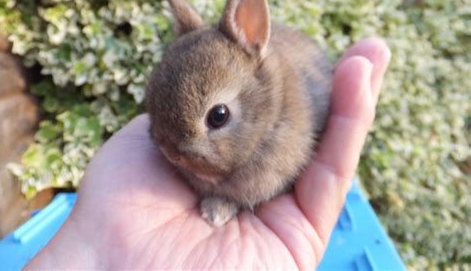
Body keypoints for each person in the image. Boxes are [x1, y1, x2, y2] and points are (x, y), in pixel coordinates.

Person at [26, 38, 390, 270]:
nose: (171, 154)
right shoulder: (172, 149)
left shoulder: (287, 131)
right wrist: (97, 240)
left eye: (218, 117)